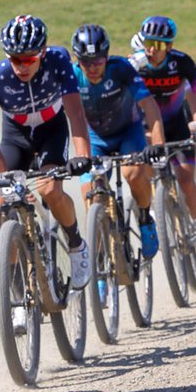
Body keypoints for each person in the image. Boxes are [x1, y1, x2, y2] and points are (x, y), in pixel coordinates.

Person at [0, 15, 92, 288]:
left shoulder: (58, 61)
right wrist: (5, 181)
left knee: (50, 190)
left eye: (29, 59)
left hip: (50, 129)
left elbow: (76, 114)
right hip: (15, 135)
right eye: (14, 59)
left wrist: (82, 156)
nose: (21, 66)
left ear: (42, 53)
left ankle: (77, 245)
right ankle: (14, 285)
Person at [129, 15, 196, 270]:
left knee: (186, 180)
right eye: (148, 42)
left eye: (157, 45)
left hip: (176, 126)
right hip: (146, 129)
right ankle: (152, 218)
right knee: (142, 175)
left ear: (169, 46)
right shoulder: (134, 65)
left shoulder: (182, 63)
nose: (151, 49)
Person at [70, 23, 165, 260]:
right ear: (77, 60)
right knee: (90, 196)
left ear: (107, 56)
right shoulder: (72, 76)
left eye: (98, 61)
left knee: (133, 174)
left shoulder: (121, 68)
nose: (92, 68)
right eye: (86, 62)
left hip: (127, 132)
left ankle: (145, 218)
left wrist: (157, 143)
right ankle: (100, 267)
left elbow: (149, 105)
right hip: (95, 138)